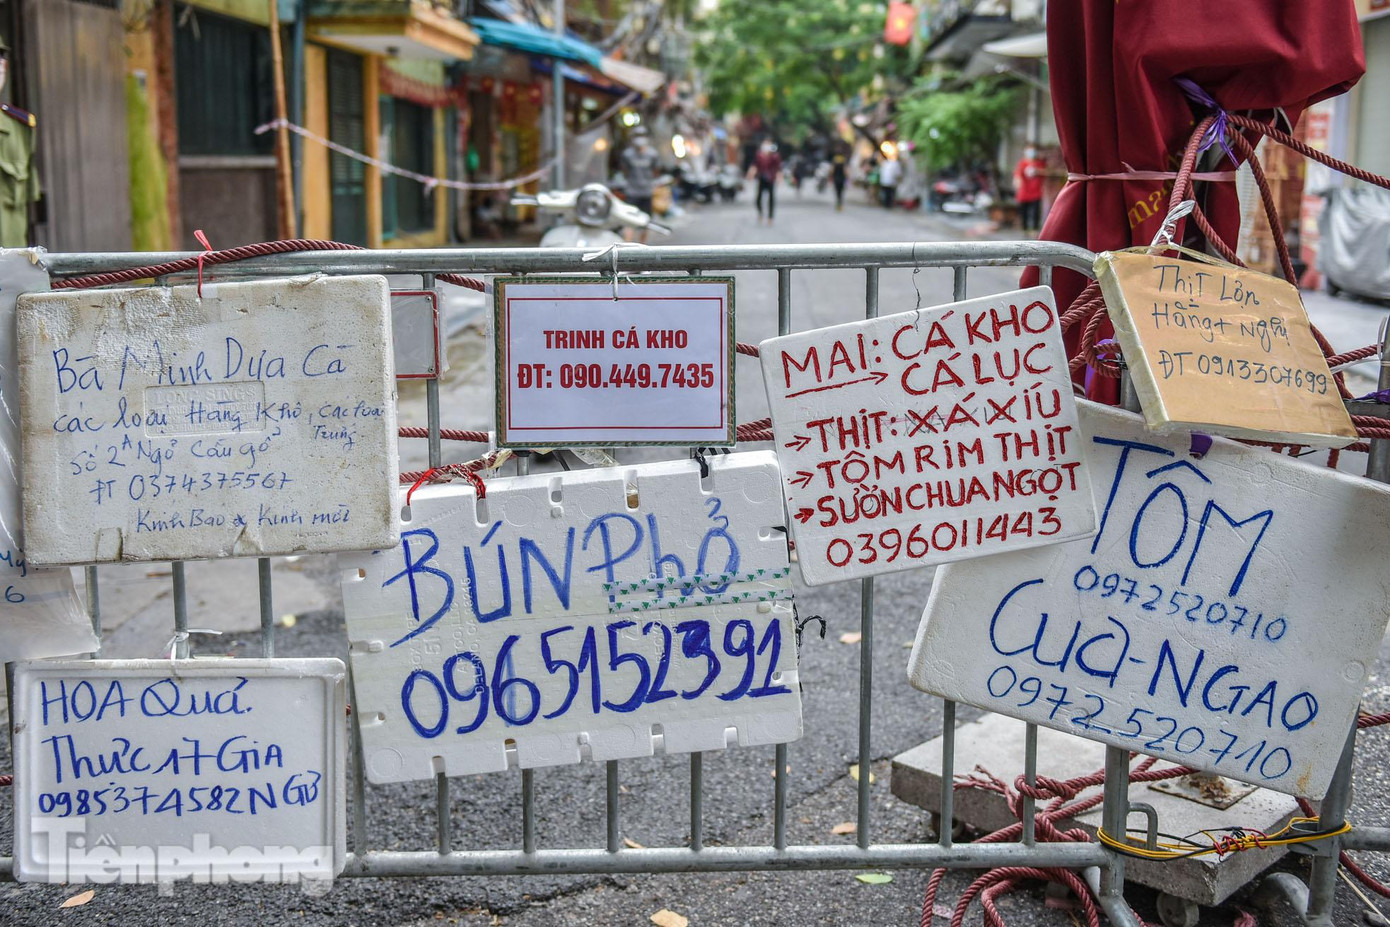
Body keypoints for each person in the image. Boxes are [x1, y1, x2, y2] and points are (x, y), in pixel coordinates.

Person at [620, 126, 659, 243]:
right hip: (632, 192)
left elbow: (655, 171)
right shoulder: (627, 154)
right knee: (630, 220)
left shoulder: (653, 154)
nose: (640, 139)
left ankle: (642, 247)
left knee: (645, 221)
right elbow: (625, 171)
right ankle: (627, 246)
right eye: (637, 136)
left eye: (642, 136)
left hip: (647, 192)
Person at [1014, 145, 1045, 237]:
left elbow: (1045, 173)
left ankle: (1035, 229)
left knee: (1035, 212)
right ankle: (1025, 229)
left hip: (1036, 193)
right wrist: (1017, 181)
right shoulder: (1022, 163)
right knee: (1024, 212)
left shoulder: (1039, 163)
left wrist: (1038, 171)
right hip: (1024, 193)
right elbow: (1017, 175)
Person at [749, 138, 782, 224]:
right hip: (761, 178)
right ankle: (760, 213)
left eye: (768, 145)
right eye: (765, 144)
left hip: (771, 179)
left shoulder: (775, 156)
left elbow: (778, 168)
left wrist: (779, 178)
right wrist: (751, 174)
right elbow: (754, 165)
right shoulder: (759, 155)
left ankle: (770, 217)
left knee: (771, 199)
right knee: (758, 199)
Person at [830, 143, 849, 211]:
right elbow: (845, 170)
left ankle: (838, 203)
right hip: (842, 178)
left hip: (836, 177)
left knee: (837, 191)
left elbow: (832, 169)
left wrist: (830, 177)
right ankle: (840, 204)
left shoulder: (835, 159)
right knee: (841, 191)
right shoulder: (844, 159)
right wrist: (847, 178)